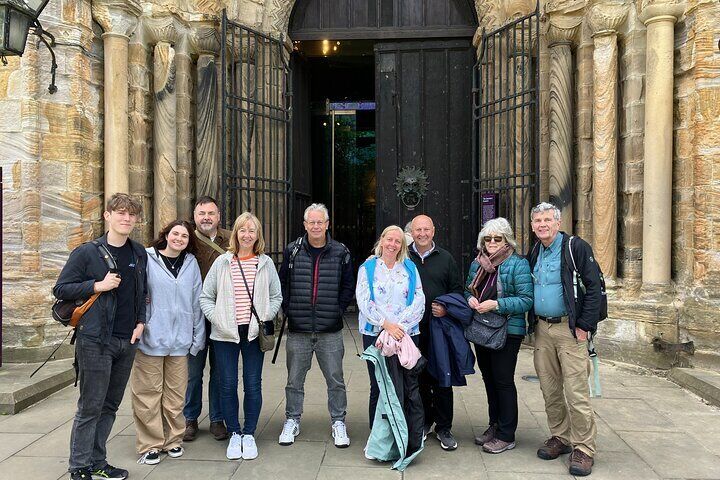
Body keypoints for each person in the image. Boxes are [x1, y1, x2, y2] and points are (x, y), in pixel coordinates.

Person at [54, 193, 147, 480]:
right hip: (95, 340)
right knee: (91, 405)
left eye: (131, 214)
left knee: (110, 405)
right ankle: (79, 466)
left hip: (126, 340)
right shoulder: (87, 252)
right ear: (107, 215)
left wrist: (141, 322)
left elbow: (142, 292)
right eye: (120, 212)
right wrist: (97, 285)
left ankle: (97, 461)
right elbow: (61, 289)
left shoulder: (138, 252)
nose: (126, 218)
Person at [200, 212, 282, 461]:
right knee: (226, 384)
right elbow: (206, 296)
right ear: (236, 233)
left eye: (252, 231)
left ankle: (249, 433)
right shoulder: (223, 262)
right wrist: (218, 319)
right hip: (225, 333)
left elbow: (276, 296)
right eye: (243, 230)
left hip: (253, 332)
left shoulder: (265, 263)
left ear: (258, 236)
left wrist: (266, 315)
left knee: (252, 384)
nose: (247, 235)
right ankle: (234, 432)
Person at [528, 202, 602, 476]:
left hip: (570, 331)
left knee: (576, 392)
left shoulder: (576, 247)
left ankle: (584, 448)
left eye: (548, 219)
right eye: (537, 220)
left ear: (558, 223)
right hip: (543, 330)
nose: (542, 224)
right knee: (549, 388)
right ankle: (560, 436)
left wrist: (584, 325)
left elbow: (594, 287)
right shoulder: (535, 249)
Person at [278, 203, 354, 448]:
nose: (316, 226)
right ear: (305, 225)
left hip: (329, 330)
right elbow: (283, 284)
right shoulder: (293, 251)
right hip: (299, 328)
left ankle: (338, 421)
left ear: (327, 224)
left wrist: (337, 310)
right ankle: (292, 419)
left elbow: (347, 287)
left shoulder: (341, 252)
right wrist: (289, 310)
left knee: (336, 380)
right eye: (311, 222)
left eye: (320, 222)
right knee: (294, 380)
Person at [133, 220, 205, 465]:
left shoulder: (191, 263)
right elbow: (138, 293)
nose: (179, 239)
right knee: (148, 394)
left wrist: (197, 337)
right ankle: (150, 444)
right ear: (166, 235)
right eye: (175, 233)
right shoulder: (147, 258)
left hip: (180, 341)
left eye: (184, 236)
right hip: (152, 337)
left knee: (175, 395)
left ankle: (173, 440)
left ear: (189, 241)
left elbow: (197, 301)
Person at [464, 217, 533, 454]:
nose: (492, 242)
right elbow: (466, 289)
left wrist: (497, 304)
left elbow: (526, 299)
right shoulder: (478, 262)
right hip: (483, 328)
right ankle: (494, 425)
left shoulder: (517, 264)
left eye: (497, 238)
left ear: (506, 240)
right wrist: (470, 299)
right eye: (488, 238)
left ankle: (506, 434)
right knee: (489, 380)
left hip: (507, 330)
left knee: (503, 381)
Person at [356, 225, 426, 427]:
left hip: (405, 335)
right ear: (382, 240)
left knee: (405, 385)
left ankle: (404, 435)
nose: (392, 244)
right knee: (378, 385)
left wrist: (400, 327)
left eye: (398, 241)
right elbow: (364, 301)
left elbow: (419, 299)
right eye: (389, 239)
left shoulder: (410, 268)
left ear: (402, 246)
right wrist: (386, 325)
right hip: (375, 333)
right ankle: (378, 435)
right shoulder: (368, 268)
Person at [407, 214, 464, 450]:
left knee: (442, 378)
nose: (422, 234)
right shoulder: (403, 256)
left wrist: (446, 307)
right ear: (411, 231)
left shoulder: (446, 258)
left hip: (439, 329)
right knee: (416, 378)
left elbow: (458, 290)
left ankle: (444, 427)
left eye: (426, 229)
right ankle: (422, 423)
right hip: (411, 331)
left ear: (433, 231)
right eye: (417, 230)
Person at [183, 196, 232, 442]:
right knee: (193, 372)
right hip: (194, 316)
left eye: (210, 213)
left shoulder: (232, 238)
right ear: (194, 216)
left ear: (218, 216)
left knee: (220, 371)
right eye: (201, 213)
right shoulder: (185, 238)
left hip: (223, 315)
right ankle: (189, 418)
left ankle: (217, 419)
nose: (206, 218)